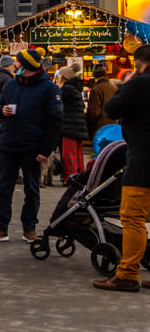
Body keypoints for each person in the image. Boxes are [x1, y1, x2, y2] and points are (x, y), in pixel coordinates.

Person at [0, 47, 63, 243]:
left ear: (27, 67)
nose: (15, 65)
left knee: (32, 189)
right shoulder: (11, 85)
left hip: (33, 148)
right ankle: (0, 228)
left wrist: (46, 149)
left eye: (18, 63)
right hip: (9, 144)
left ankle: (30, 229)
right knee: (3, 187)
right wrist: (3, 110)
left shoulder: (49, 89)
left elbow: (55, 121)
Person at [93, 45, 150, 291]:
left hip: (143, 163)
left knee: (133, 219)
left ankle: (127, 275)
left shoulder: (139, 83)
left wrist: (128, 82)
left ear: (139, 62)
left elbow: (112, 109)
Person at [56, 62, 88, 183]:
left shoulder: (66, 89)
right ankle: (79, 176)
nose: (58, 76)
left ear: (64, 76)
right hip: (78, 126)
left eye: (60, 75)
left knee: (68, 155)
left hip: (70, 126)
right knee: (77, 154)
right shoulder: (75, 88)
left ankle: (70, 178)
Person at [0, 55, 18, 172]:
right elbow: (10, 97)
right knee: (4, 144)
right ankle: (3, 169)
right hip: (5, 115)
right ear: (10, 65)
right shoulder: (8, 79)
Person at [86, 64, 117, 139]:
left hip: (100, 127)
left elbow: (94, 112)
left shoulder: (96, 89)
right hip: (112, 125)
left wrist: (88, 123)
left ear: (95, 77)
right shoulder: (113, 87)